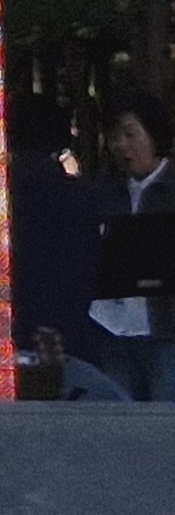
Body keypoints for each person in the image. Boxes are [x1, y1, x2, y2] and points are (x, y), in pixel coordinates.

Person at [84, 95, 175, 400]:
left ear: (154, 135)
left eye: (130, 133)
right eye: (113, 137)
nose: (121, 145)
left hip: (164, 333)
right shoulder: (105, 193)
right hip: (112, 330)